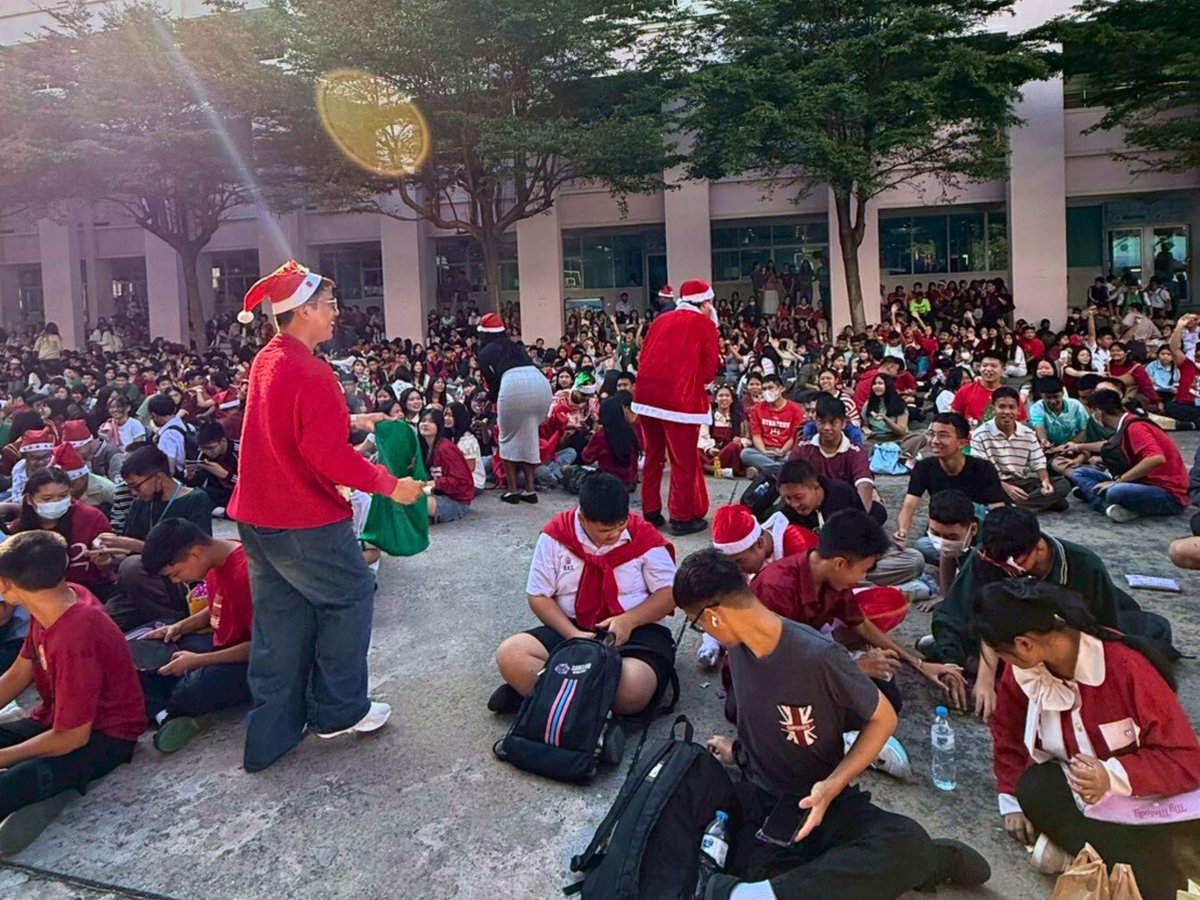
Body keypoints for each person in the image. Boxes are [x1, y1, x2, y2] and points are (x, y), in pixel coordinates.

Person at [671, 547, 990, 900]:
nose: (703, 630)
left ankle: (765, 893)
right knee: (774, 870)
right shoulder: (738, 648)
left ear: (714, 617)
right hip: (764, 808)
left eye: (697, 622)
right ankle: (803, 884)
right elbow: (767, 719)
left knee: (906, 842)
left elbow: (883, 717)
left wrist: (833, 785)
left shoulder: (817, 655)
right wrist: (740, 752)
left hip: (823, 799)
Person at [228, 260, 425, 773]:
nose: (337, 314)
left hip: (257, 515)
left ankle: (271, 733)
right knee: (352, 595)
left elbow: (293, 424)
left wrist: (358, 418)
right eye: (330, 306)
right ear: (306, 311)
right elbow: (327, 454)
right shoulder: (312, 370)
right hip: (303, 518)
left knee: (280, 620)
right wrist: (392, 486)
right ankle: (338, 710)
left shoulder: (269, 360)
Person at [975, 578, 1200, 898]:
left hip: (1152, 793)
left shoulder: (1127, 668)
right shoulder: (1026, 673)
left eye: (1001, 654)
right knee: (1034, 788)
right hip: (1082, 797)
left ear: (1025, 644)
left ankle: (1096, 858)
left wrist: (1112, 776)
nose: (1004, 664)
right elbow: (1007, 731)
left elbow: (1185, 757)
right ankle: (1148, 872)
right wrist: (1010, 796)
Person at [924, 505, 1176, 718]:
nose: (1008, 572)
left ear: (1039, 549)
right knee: (952, 645)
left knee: (1142, 644)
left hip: (1070, 635)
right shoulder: (989, 557)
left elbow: (1102, 634)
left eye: (1015, 566)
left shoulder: (1084, 566)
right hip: (1018, 639)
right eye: (1000, 566)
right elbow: (954, 613)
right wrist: (959, 666)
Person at [0, 531, 145, 854]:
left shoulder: (76, 634)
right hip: (54, 720)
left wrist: (4, 758)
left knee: (11, 780)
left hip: (104, 737)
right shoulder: (59, 599)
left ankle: (53, 792)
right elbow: (18, 673)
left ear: (5, 584)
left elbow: (72, 737)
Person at [488, 473, 677, 719]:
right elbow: (539, 595)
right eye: (605, 530)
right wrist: (574, 635)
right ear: (583, 517)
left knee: (632, 690)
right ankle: (591, 716)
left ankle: (545, 697)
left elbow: (670, 592)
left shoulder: (644, 538)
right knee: (511, 655)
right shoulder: (557, 536)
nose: (615, 535)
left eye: (621, 527)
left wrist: (629, 620)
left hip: (635, 631)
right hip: (573, 627)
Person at [138, 520, 254, 754]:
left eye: (175, 573)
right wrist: (181, 627)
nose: (176, 581)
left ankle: (170, 710)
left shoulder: (246, 572)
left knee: (192, 690)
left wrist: (197, 661)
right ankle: (166, 712)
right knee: (148, 647)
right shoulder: (214, 562)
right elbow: (217, 605)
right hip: (218, 643)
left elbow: (263, 646)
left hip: (248, 661)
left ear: (195, 554)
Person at [633, 279, 721, 535]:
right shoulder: (705, 325)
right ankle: (682, 518)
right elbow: (707, 373)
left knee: (654, 456)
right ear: (705, 302)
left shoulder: (661, 320)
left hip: (646, 398)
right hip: (679, 402)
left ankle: (650, 511)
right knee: (682, 462)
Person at [96, 445, 213, 631]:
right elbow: (125, 556)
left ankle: (175, 621)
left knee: (132, 566)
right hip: (138, 584)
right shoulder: (140, 504)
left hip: (178, 578)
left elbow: (195, 553)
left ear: (159, 478)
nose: (134, 492)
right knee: (102, 622)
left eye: (136, 485)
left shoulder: (195, 499)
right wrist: (107, 559)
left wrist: (138, 546)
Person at [893, 413, 1007, 563]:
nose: (935, 441)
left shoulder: (983, 468)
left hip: (975, 529)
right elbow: (909, 506)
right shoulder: (924, 467)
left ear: (962, 443)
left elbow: (998, 510)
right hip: (943, 528)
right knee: (922, 547)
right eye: (931, 434)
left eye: (943, 436)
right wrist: (902, 531)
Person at [1068, 388, 1189, 522]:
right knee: (1081, 473)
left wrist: (1119, 481)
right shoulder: (1125, 425)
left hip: (1169, 494)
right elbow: (1109, 444)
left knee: (1116, 492)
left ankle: (1101, 502)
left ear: (1098, 412)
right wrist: (1078, 446)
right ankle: (1111, 503)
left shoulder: (1135, 427)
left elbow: (1156, 458)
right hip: (1142, 483)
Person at [476, 312, 553, 504]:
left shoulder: (484, 352)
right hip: (540, 384)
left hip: (512, 385)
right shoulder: (516, 346)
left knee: (507, 439)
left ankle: (512, 491)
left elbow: (493, 382)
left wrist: (489, 398)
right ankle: (529, 489)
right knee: (530, 436)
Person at [9, 468, 116, 599]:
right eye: (47, 498)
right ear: (30, 500)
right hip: (40, 596)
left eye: (63, 496)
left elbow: (110, 569)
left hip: (92, 592)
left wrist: (104, 562)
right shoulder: (19, 530)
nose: (56, 502)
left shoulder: (92, 518)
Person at [969, 386, 1070, 512]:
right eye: (1001, 407)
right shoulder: (980, 434)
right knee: (1060, 503)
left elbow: (1038, 462)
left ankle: (1011, 507)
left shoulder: (1027, 433)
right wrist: (1006, 487)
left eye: (1012, 407)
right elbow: (981, 471)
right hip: (993, 483)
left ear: (1018, 410)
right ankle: (1034, 503)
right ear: (993, 408)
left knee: (1062, 484)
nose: (1007, 412)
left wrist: (1045, 482)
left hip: (1018, 481)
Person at [788, 394, 875, 512]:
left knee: (877, 512)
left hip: (843, 507)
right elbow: (789, 477)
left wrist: (860, 516)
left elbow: (864, 483)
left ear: (844, 423)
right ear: (815, 421)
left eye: (833, 422)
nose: (827, 427)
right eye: (822, 422)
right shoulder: (803, 446)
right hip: (810, 505)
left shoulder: (856, 452)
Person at [741, 373, 806, 479]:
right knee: (745, 453)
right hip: (764, 450)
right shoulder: (757, 409)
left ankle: (763, 471)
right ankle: (782, 471)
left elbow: (793, 437)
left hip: (784, 452)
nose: (767, 392)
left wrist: (782, 451)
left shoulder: (795, 409)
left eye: (770, 388)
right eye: (764, 389)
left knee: (796, 457)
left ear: (781, 389)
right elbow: (756, 435)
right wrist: (764, 451)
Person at [417, 407, 474, 524]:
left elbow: (462, 481)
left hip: (457, 502)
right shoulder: (424, 446)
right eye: (423, 421)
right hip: (437, 494)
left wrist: (436, 483)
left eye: (431, 421)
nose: (425, 424)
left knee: (416, 502)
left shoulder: (446, 448)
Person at [581, 392, 640, 490]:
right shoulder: (631, 431)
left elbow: (586, 458)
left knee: (568, 470)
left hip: (608, 483)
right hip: (629, 482)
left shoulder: (602, 435)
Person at [184, 420, 238, 515]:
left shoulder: (240, 452)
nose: (207, 452)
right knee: (196, 495)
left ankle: (225, 512)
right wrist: (190, 476)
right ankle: (224, 512)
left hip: (239, 493)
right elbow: (197, 484)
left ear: (223, 441)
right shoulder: (203, 454)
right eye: (202, 448)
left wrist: (225, 475)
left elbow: (251, 484)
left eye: (210, 448)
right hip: (219, 493)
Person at [950, 351, 1019, 427]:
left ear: (1003, 369)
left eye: (993, 366)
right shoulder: (965, 391)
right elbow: (954, 419)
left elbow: (1021, 421)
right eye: (984, 365)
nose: (988, 369)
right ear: (979, 368)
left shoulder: (1011, 394)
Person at [1027, 376, 1088, 453]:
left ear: (1062, 393)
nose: (1052, 401)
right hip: (1049, 448)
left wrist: (1069, 445)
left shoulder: (1075, 405)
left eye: (1056, 396)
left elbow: (1084, 429)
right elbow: (1039, 426)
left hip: (1073, 445)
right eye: (1048, 397)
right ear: (1041, 395)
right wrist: (1044, 441)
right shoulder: (1036, 407)